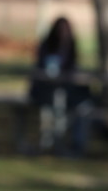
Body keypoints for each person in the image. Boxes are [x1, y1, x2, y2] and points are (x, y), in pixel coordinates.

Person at [29, 17, 85, 151]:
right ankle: (48, 140)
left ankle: (58, 139)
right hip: (44, 88)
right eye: (60, 29)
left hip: (64, 89)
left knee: (62, 102)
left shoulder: (70, 46)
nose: (62, 33)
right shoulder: (47, 45)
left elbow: (73, 69)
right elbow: (38, 66)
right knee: (51, 104)